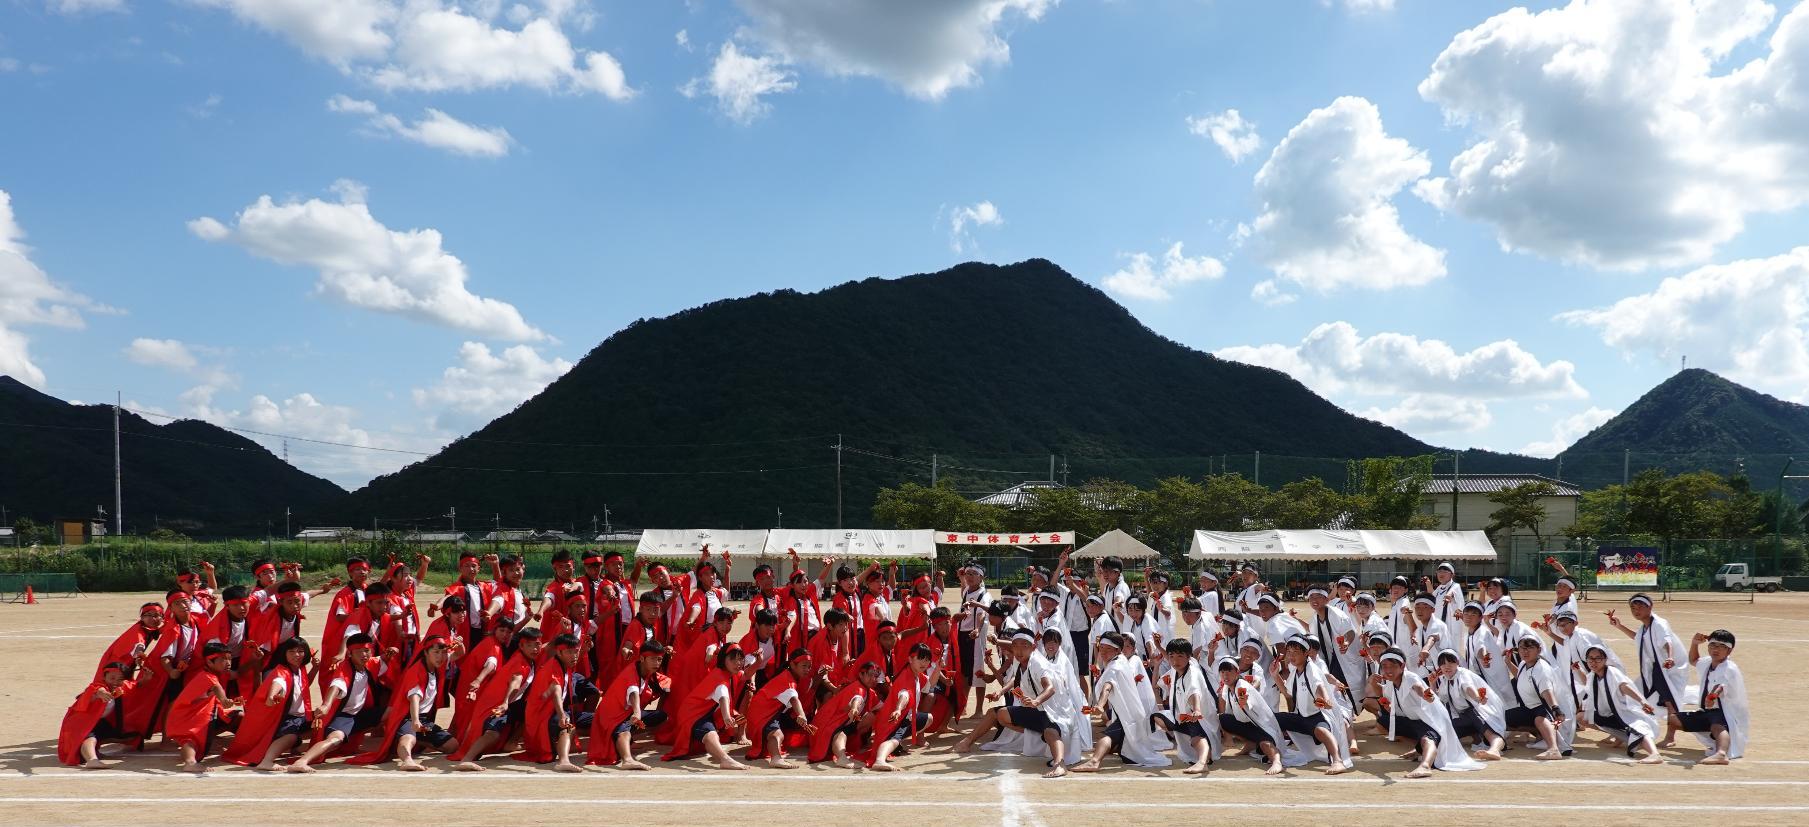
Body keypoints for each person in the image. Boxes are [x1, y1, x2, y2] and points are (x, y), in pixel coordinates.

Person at [348, 635, 459, 770]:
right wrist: (415, 721)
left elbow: (459, 654)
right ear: (425, 652)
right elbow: (414, 698)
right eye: (436, 652)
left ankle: (417, 739)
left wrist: (459, 644)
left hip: (423, 722)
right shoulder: (417, 671)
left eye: (443, 653)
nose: (440, 657)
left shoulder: (437, 664)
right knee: (408, 738)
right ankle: (407, 760)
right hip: (406, 717)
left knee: (452, 746)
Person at [1370, 648, 1483, 777]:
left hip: (1431, 721)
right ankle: (1419, 749)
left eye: (1392, 666)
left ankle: (1425, 766)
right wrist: (1373, 683)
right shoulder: (1391, 684)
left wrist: (1425, 695)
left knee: (1427, 738)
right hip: (1413, 720)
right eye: (1384, 666)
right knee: (1385, 722)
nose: (1388, 670)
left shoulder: (1410, 677)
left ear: (1402, 666)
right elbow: (1382, 693)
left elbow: (1418, 687)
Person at [289, 633, 387, 772]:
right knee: (335, 740)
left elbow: (381, 659)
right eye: (359, 652)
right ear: (350, 653)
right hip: (343, 716)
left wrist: (391, 651)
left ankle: (393, 747)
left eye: (366, 651)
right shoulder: (344, 669)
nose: (364, 655)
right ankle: (302, 761)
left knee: (393, 712)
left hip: (359, 715)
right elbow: (336, 686)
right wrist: (326, 705)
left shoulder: (369, 663)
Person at [1073, 632, 1167, 770]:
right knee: (1115, 741)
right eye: (1101, 647)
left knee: (1107, 736)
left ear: (1117, 650)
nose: (1103, 652)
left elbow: (1107, 687)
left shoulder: (1115, 667)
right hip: (1130, 714)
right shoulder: (1121, 659)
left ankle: (1094, 761)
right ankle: (1116, 748)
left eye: (1108, 649)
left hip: (1128, 717)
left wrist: (1100, 705)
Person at [452, 627, 543, 769]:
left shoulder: (526, 657)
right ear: (521, 646)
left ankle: (511, 742)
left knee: (532, 710)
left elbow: (547, 647)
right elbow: (515, 683)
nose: (535, 649)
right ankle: (467, 759)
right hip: (498, 703)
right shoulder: (520, 663)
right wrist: (505, 702)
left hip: (510, 702)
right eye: (530, 645)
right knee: (492, 734)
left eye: (537, 645)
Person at [1606, 594, 1687, 747]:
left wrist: (1670, 657)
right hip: (1655, 669)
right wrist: (1619, 626)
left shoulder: (1659, 624)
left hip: (1668, 669)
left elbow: (1667, 641)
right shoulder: (1645, 627)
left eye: (1640, 607)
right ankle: (1623, 732)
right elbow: (1639, 638)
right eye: (1633, 608)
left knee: (1669, 702)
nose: (1636, 611)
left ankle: (1670, 737)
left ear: (1650, 607)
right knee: (1633, 696)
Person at [120, 590, 200, 745]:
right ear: (171, 608)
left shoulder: (195, 621)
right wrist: (171, 671)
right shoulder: (173, 629)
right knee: (170, 703)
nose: (183, 605)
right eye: (177, 603)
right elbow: (164, 657)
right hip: (168, 671)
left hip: (184, 668)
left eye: (185, 601)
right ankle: (166, 737)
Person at [221, 636, 314, 770]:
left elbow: (303, 687)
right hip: (286, 720)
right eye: (292, 651)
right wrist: (271, 697)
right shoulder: (282, 673)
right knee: (291, 737)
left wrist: (315, 669)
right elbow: (277, 685)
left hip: (300, 717)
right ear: (284, 654)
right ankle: (268, 760)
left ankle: (295, 747)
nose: (296, 655)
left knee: (323, 723)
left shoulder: (299, 669)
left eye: (300, 651)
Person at [661, 644, 750, 770]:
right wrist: (726, 717)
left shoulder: (726, 672)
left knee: (713, 734)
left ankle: (724, 758)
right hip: (692, 715)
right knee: (711, 735)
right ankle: (725, 760)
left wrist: (758, 661)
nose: (738, 663)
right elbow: (723, 697)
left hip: (703, 713)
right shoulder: (720, 679)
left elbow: (745, 675)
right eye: (733, 659)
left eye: (740, 659)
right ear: (724, 659)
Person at [587, 640, 670, 770]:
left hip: (626, 713)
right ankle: (627, 759)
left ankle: (627, 741)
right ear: (642, 658)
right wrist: (637, 712)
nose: (657, 663)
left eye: (659, 659)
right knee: (624, 729)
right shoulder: (631, 672)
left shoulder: (647, 671)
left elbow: (665, 681)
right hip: (610, 716)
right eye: (653, 659)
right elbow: (633, 692)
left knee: (660, 716)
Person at [1275, 635, 1351, 773]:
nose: (1291, 656)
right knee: (1273, 719)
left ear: (1306, 653)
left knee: (1322, 731)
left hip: (1318, 716)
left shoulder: (1312, 669)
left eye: (1296, 652)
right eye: (1289, 652)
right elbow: (1287, 693)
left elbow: (1319, 685)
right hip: (1301, 716)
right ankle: (1274, 754)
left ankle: (1337, 761)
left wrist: (1326, 699)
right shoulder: (1295, 670)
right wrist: (1275, 675)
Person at [1578, 643, 1664, 764]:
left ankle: (1655, 754)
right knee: (1582, 717)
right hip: (1609, 714)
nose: (1593, 662)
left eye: (1598, 658)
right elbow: (1588, 685)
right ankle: (1620, 737)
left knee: (1638, 730)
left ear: (1605, 659)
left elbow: (1624, 686)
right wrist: (1578, 670)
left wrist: (1642, 701)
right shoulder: (1593, 676)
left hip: (1625, 712)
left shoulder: (1612, 672)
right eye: (1590, 658)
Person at [516, 634, 589, 772]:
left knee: (598, 720)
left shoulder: (563, 663)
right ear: (559, 652)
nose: (574, 656)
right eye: (569, 652)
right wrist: (562, 715)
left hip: (552, 712)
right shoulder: (552, 667)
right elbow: (556, 690)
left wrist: (584, 650)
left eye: (576, 651)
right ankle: (563, 761)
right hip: (542, 717)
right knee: (568, 725)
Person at [164, 642, 238, 772]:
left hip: (197, 715)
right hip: (185, 719)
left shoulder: (212, 674)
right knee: (190, 740)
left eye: (229, 659)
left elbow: (237, 675)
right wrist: (225, 701)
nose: (228, 663)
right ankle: (190, 763)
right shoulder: (208, 677)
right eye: (223, 659)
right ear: (209, 662)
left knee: (237, 717)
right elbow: (219, 691)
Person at [863, 643, 935, 771]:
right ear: (910, 659)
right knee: (894, 740)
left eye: (927, 660)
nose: (924, 663)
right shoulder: (906, 677)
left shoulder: (917, 675)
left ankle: (896, 742)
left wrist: (938, 668)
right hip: (894, 719)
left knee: (928, 718)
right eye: (920, 658)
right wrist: (898, 709)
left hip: (904, 717)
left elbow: (930, 685)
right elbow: (904, 695)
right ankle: (879, 760)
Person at [1148, 638, 1215, 774]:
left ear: (1189, 656)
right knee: (1157, 717)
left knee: (1196, 738)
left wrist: (1196, 709)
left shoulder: (1192, 673)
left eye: (1180, 656)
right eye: (1171, 656)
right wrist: (1158, 649)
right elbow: (1156, 684)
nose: (1175, 661)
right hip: (1182, 716)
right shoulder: (1175, 670)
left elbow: (1194, 692)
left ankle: (1202, 763)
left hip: (1197, 716)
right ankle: (1182, 736)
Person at [1680, 629, 1747, 764]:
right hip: (1707, 710)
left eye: (1722, 646)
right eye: (1712, 645)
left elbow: (1722, 685)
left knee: (1717, 725)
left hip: (1724, 711)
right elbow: (1693, 660)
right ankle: (1669, 738)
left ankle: (1721, 753)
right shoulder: (1708, 662)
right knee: (1674, 719)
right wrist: (1694, 644)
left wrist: (1712, 696)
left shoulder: (1729, 668)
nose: (1716, 649)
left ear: (1729, 650)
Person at [743, 649, 817, 768]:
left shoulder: (789, 676)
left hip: (767, 712)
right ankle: (776, 758)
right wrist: (801, 715)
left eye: (809, 666)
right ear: (792, 664)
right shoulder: (788, 681)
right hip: (761, 714)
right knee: (777, 735)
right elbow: (794, 699)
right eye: (804, 666)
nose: (807, 669)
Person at [1212, 655, 1284, 775]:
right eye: (1222, 672)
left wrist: (1243, 701)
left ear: (1237, 672)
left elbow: (1245, 698)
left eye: (1229, 672)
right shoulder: (1227, 687)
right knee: (1222, 718)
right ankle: (1250, 743)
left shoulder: (1241, 685)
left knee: (1265, 744)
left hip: (1263, 726)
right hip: (1248, 724)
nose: (1225, 675)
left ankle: (1277, 762)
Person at [58, 661, 133, 768]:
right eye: (112, 678)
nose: (115, 682)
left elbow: (134, 685)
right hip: (79, 723)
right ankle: (92, 760)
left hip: (96, 722)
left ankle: (93, 750)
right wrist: (100, 693)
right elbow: (96, 690)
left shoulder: (118, 689)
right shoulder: (99, 687)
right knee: (90, 737)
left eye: (120, 679)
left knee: (123, 733)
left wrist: (145, 679)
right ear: (104, 677)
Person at [1431, 648, 1504, 760]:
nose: (1447, 666)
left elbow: (1468, 687)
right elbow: (1438, 701)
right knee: (1444, 733)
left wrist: (1478, 698)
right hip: (1464, 716)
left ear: (1457, 662)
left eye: (1450, 662)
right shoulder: (1445, 680)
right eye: (1443, 664)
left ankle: (1494, 750)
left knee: (1491, 734)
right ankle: (1476, 736)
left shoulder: (1463, 674)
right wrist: (1432, 683)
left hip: (1480, 710)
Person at [1504, 636, 1567, 760]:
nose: (1525, 651)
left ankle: (1553, 749)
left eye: (1530, 648)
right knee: (1503, 718)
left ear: (1539, 650)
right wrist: (1508, 663)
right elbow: (1521, 676)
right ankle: (1540, 734)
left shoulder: (1542, 669)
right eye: (1522, 648)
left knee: (1539, 719)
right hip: (1531, 708)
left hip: (1547, 707)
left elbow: (1547, 692)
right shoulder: (1524, 663)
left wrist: (1556, 709)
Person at [808, 660, 881, 768]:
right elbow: (856, 699)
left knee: (871, 716)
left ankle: (851, 744)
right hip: (824, 726)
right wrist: (854, 708)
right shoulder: (858, 688)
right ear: (861, 674)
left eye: (876, 676)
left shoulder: (869, 691)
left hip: (838, 723)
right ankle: (841, 757)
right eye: (870, 675)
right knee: (841, 733)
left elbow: (883, 708)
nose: (873, 679)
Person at [95, 602, 163, 682]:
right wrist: (141, 658)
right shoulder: (138, 634)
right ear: (142, 617)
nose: (153, 619)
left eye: (156, 615)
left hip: (122, 666)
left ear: (162, 617)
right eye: (149, 615)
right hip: (116, 670)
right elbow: (138, 650)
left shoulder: (145, 628)